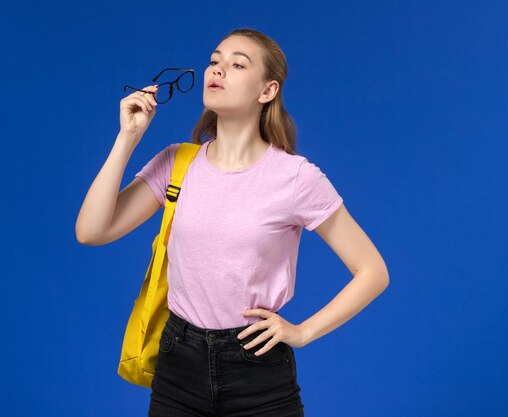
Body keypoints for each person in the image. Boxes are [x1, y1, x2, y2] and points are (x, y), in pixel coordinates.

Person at [75, 27, 389, 417]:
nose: (218, 70)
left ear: (267, 91)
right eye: (214, 61)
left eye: (237, 64)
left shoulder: (295, 178)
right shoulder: (178, 163)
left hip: (257, 370)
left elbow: (373, 271)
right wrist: (128, 138)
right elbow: (91, 231)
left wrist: (302, 332)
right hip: (178, 363)